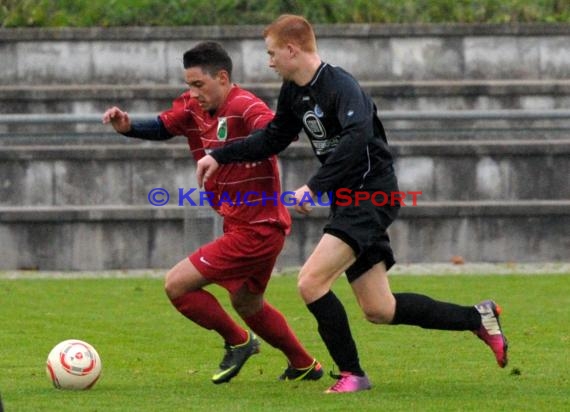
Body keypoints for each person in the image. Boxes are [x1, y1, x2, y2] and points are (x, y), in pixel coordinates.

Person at [196, 15, 508, 393]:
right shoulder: (294, 91)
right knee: (380, 308)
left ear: (292, 49)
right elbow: (274, 137)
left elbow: (356, 138)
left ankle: (352, 374)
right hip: (349, 199)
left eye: (272, 53)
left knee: (311, 282)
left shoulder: (340, 85)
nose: (270, 61)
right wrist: (220, 155)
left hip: (371, 194)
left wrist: (314, 187)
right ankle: (478, 317)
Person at [102, 41, 323, 385]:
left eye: (198, 85)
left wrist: (229, 152)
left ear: (222, 77)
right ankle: (304, 364)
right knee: (248, 303)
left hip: (257, 229)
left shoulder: (244, 104)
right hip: (247, 225)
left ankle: (239, 341)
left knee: (177, 285)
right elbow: (164, 126)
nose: (192, 93)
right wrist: (128, 126)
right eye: (189, 85)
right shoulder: (192, 107)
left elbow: (274, 132)